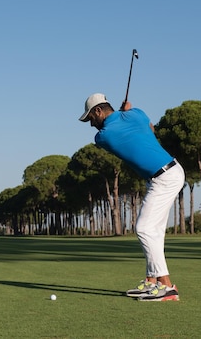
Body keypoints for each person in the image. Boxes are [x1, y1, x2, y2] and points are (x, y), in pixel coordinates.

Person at [78, 93, 185, 301]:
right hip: (167, 173)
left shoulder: (103, 137)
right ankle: (151, 282)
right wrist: (127, 113)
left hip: (165, 177)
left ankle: (167, 287)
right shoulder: (136, 114)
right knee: (153, 232)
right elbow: (150, 129)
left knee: (144, 229)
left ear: (99, 111)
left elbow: (118, 129)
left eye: (91, 118)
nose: (91, 125)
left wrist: (122, 114)